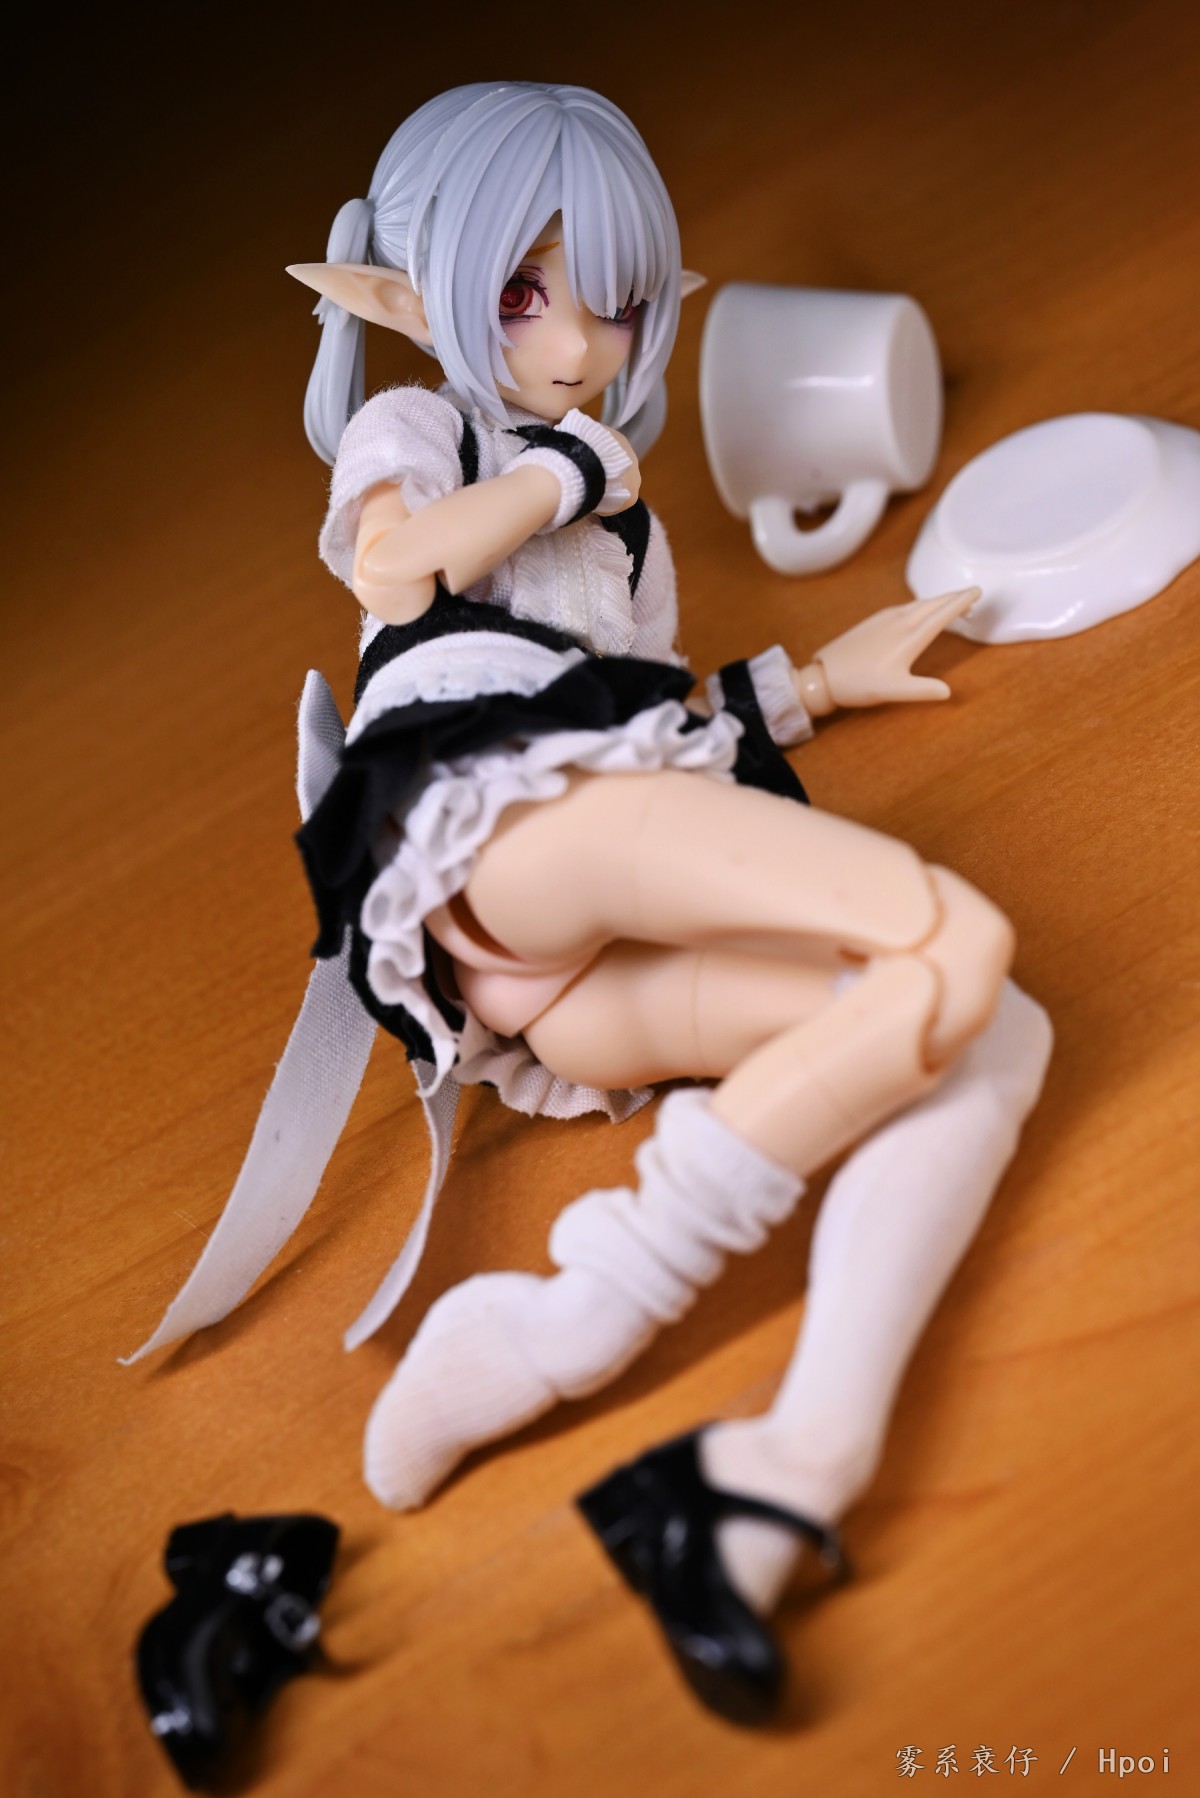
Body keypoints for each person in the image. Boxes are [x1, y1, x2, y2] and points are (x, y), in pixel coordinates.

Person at [129, 81, 1052, 1723]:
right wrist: (569, 466)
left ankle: (783, 1474)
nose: (576, 342)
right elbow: (395, 571)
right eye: (521, 294)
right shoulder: (432, 432)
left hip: (568, 958)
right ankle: (582, 1310)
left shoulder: (617, 517)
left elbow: (632, 705)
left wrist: (811, 682)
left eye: (612, 301)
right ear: (410, 301)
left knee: (992, 1030)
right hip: (492, 832)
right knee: (955, 937)